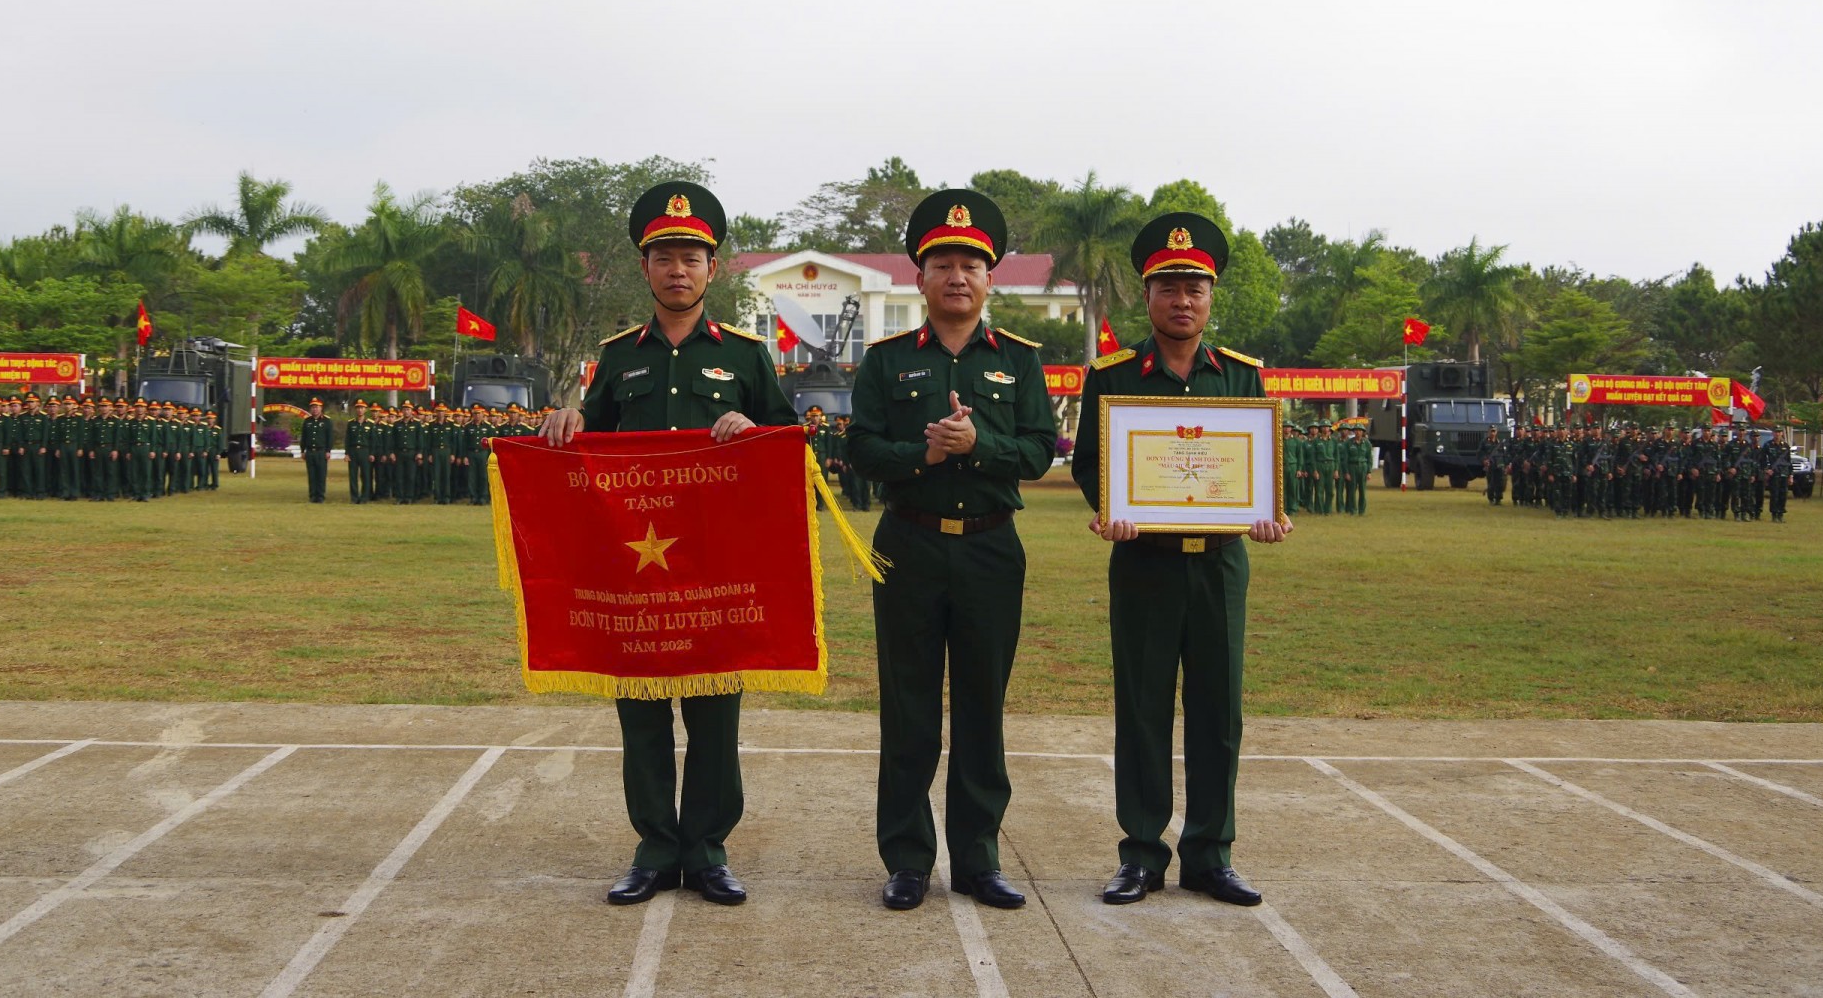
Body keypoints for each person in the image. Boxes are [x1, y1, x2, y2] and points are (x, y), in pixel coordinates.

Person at [540, 180, 798, 908]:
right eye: (663, 257)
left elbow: (786, 450)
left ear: (712, 269)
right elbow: (590, 446)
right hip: (636, 573)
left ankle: (708, 849)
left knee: (715, 713)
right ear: (645, 269)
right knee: (644, 713)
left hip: (717, 570)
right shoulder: (619, 357)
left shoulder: (747, 358)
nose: (677, 269)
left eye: (691, 256)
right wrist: (567, 425)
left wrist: (754, 433)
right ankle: (655, 848)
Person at [1071, 212, 1293, 909]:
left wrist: (1268, 513)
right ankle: (1140, 854)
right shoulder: (1112, 376)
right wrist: (1111, 506)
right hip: (1144, 564)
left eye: (1195, 287)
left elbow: (1260, 469)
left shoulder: (1242, 378)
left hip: (1222, 567)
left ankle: (1209, 853)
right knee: (1141, 710)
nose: (1183, 300)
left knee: (1218, 712)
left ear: (1212, 296)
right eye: (1168, 287)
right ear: (1147, 296)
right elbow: (1087, 464)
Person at [846, 189, 1056, 913]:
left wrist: (980, 444)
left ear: (990, 278)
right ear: (919, 278)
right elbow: (862, 450)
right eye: (942, 264)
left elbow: (1038, 451)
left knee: (980, 710)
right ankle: (907, 859)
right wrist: (924, 454)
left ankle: (978, 859)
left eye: (971, 264)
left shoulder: (1020, 363)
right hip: (908, 544)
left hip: (992, 551)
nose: (957, 276)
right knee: (908, 709)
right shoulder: (885, 361)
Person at [301, 398, 334, 502]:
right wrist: (303, 450)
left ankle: (320, 496)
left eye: (317, 407)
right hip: (310, 451)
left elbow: (330, 437)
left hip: (321, 451)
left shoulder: (327, 421)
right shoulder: (307, 421)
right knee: (311, 475)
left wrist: (328, 450)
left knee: (321, 475)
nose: (314, 409)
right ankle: (312, 496)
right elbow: (304, 437)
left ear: (321, 408)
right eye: (313, 407)